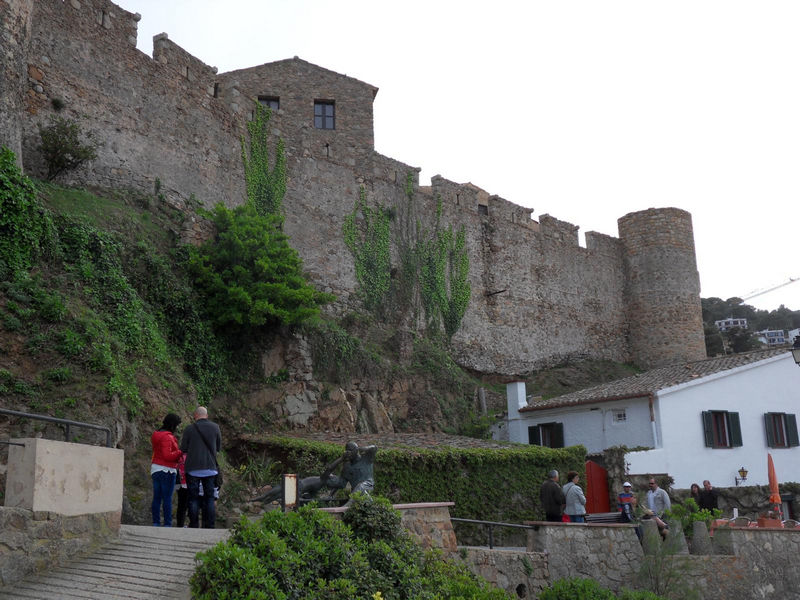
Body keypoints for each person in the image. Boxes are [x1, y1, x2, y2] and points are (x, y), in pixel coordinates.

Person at [180, 406, 221, 528]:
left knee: (193, 498)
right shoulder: (215, 427)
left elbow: (183, 449)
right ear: (206, 415)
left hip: (193, 469)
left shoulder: (189, 429)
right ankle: (210, 525)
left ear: (195, 416)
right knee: (209, 498)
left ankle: (194, 524)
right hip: (210, 468)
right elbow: (218, 447)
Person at [150, 413, 182, 527]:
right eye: (176, 425)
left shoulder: (156, 434)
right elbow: (167, 456)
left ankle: (156, 522)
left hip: (156, 468)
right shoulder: (168, 437)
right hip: (167, 470)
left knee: (157, 497)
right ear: (173, 425)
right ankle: (167, 523)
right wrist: (180, 451)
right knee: (167, 498)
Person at [323, 441, 377, 505]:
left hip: (368, 486)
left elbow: (374, 448)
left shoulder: (366, 459)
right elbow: (341, 483)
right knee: (360, 491)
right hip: (356, 493)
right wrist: (331, 495)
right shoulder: (347, 466)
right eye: (346, 450)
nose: (348, 453)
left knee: (360, 486)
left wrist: (362, 448)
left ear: (356, 450)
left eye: (350, 450)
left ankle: (346, 507)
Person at [174, 452, 188, 527]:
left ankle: (180, 524)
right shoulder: (192, 456)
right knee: (190, 504)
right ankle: (192, 524)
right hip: (189, 483)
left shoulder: (179, 455)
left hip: (179, 483)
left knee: (181, 505)